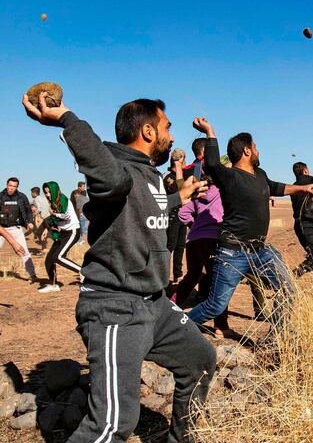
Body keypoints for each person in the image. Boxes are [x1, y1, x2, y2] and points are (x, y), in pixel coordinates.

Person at [22, 93, 215, 443]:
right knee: (114, 423)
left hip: (154, 305)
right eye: (167, 127)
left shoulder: (149, 175)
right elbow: (113, 182)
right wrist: (67, 118)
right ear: (148, 131)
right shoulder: (116, 166)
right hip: (116, 307)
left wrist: (178, 198)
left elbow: (140, 208)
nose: (172, 134)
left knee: (200, 360)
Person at [188, 117, 313, 339]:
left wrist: (302, 188)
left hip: (260, 250)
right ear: (247, 151)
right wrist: (210, 131)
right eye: (256, 147)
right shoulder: (228, 177)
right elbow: (211, 164)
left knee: (288, 289)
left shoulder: (260, 175)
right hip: (232, 252)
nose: (259, 151)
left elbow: (275, 187)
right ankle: (174, 329)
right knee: (215, 306)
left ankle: (275, 338)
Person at [172, 170, 231, 337]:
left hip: (194, 240)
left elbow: (182, 213)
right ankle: (221, 326)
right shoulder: (222, 194)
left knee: (192, 276)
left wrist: (195, 225)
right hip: (213, 239)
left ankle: (170, 307)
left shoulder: (198, 197)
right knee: (218, 281)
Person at [39, 181, 82, 293]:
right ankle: (53, 284)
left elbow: (66, 216)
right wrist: (47, 228)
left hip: (72, 232)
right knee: (49, 259)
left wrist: (54, 215)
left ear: (54, 190)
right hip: (63, 233)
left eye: (49, 192)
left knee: (58, 256)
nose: (47, 195)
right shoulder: (53, 202)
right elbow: (54, 219)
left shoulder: (62, 199)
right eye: (45, 193)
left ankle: (82, 271)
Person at [0, 177, 36, 280]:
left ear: (17, 187)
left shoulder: (22, 197)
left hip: (15, 227)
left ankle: (32, 274)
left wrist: (30, 221)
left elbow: (28, 210)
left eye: (14, 186)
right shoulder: (0, 196)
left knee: (24, 251)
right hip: (1, 228)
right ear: (7, 185)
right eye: (10, 185)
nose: (11, 188)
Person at [164, 149, 187, 281]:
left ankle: (177, 274)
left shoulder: (181, 175)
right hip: (171, 215)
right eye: (183, 158)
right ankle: (164, 274)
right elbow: (181, 189)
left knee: (180, 246)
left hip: (182, 215)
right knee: (170, 245)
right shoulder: (168, 176)